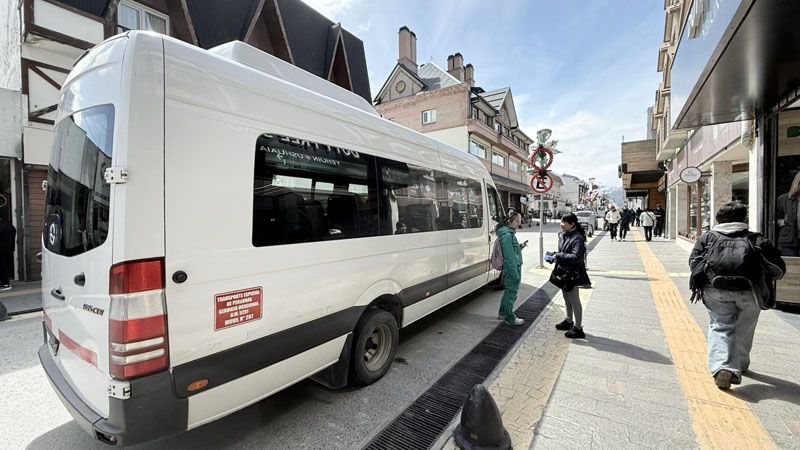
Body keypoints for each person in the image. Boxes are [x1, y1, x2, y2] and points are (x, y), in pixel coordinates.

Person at [689, 202, 785, 389]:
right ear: (744, 219)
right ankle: (739, 364)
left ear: (718, 219)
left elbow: (694, 262)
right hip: (751, 292)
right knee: (745, 328)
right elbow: (778, 269)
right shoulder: (757, 239)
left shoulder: (708, 237)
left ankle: (723, 366)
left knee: (720, 325)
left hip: (715, 290)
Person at [546, 213, 590, 338]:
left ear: (572, 224)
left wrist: (558, 256)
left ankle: (578, 328)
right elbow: (563, 252)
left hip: (572, 274)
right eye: (561, 221)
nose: (561, 224)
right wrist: (554, 255)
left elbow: (577, 257)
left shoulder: (578, 239)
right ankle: (569, 320)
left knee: (575, 300)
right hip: (563, 272)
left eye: (564, 222)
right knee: (566, 298)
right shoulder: (564, 235)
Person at [497, 210, 525, 325]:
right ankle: (510, 317)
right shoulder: (508, 235)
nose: (519, 223)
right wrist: (514, 273)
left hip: (512, 267)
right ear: (509, 221)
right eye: (517, 221)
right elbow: (509, 257)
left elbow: (511, 251)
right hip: (513, 268)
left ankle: (502, 313)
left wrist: (519, 247)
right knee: (511, 293)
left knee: (508, 292)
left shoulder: (508, 233)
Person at [775, 172, 800, 256]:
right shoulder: (784, 199)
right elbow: (773, 218)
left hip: (789, 240)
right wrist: (783, 222)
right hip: (789, 240)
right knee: (790, 266)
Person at [0, 216, 16, 291]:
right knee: (5, 266)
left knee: (2, 267)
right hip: (9, 249)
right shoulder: (11, 226)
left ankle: (5, 283)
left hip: (1, 250)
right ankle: (5, 282)